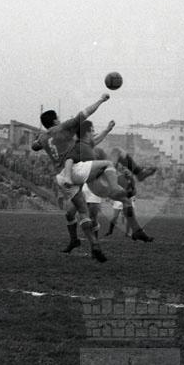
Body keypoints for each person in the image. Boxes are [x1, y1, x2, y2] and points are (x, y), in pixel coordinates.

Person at [31, 94, 111, 258]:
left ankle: (93, 244)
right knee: (108, 165)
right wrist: (101, 100)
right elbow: (86, 113)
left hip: (62, 177)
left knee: (81, 212)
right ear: (55, 120)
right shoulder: (64, 128)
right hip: (77, 170)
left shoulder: (44, 137)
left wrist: (38, 142)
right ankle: (109, 188)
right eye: (58, 118)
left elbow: (34, 146)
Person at [63, 120, 154, 251]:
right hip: (96, 182)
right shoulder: (79, 148)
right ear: (87, 133)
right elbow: (69, 160)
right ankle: (138, 174)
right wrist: (67, 176)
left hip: (98, 183)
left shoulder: (87, 146)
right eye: (92, 130)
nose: (94, 133)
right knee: (115, 151)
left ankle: (136, 230)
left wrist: (107, 129)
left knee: (124, 201)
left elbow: (97, 139)